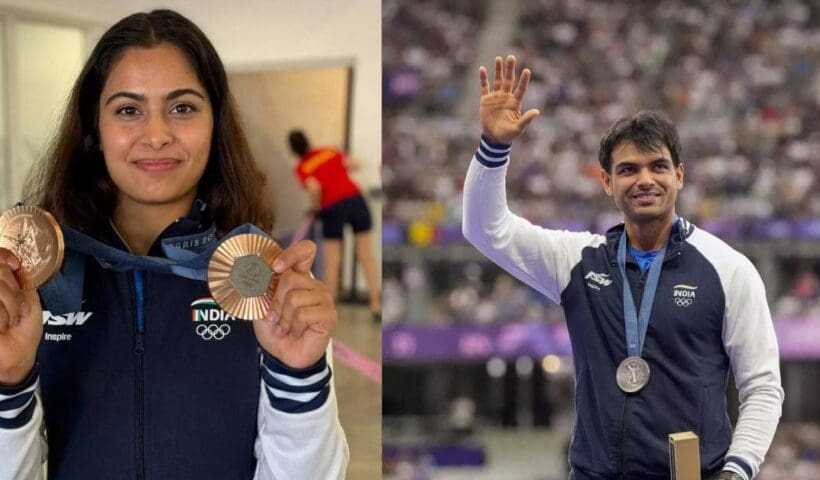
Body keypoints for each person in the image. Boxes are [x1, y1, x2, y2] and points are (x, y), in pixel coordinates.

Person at [0, 10, 348, 479]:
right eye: (128, 110)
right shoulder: (34, 286)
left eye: (182, 107)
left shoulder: (266, 285)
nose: (157, 135)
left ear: (215, 122)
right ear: (93, 131)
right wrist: (9, 385)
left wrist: (299, 376)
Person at [462, 55, 783, 480]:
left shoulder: (728, 269)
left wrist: (737, 471)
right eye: (628, 170)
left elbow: (762, 388)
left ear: (680, 176)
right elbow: (486, 229)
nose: (644, 180)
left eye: (658, 167)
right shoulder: (578, 260)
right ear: (607, 182)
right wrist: (493, 147)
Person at [288, 129, 381, 319]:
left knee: (332, 259)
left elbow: (315, 188)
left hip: (332, 207)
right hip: (356, 200)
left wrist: (315, 207)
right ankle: (376, 303)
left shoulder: (302, 167)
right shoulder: (329, 151)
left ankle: (330, 305)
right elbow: (355, 164)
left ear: (293, 150)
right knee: (365, 254)